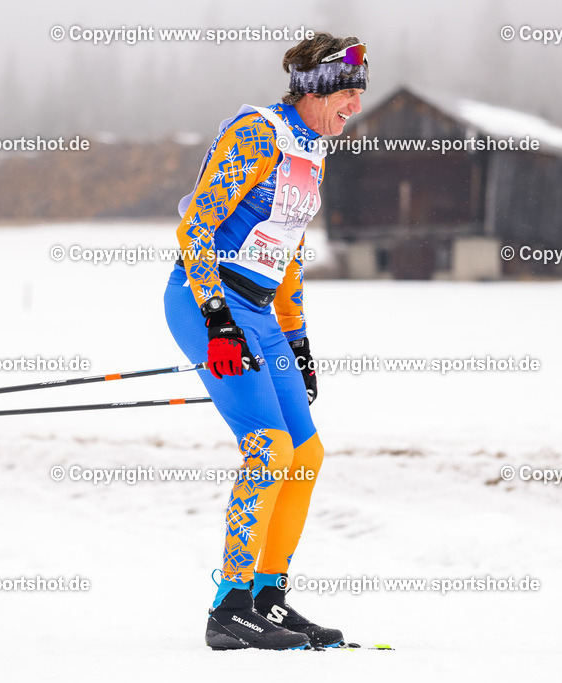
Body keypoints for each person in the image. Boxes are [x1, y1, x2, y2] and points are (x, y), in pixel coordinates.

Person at [163, 33, 367, 650]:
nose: (354, 107)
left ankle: (267, 600)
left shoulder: (313, 149)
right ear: (315, 89)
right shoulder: (256, 133)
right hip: (207, 297)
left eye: (360, 94)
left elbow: (289, 253)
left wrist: (298, 341)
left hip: (262, 310)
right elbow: (196, 228)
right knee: (269, 446)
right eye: (348, 93)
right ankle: (228, 608)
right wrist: (218, 319)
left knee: (305, 453)